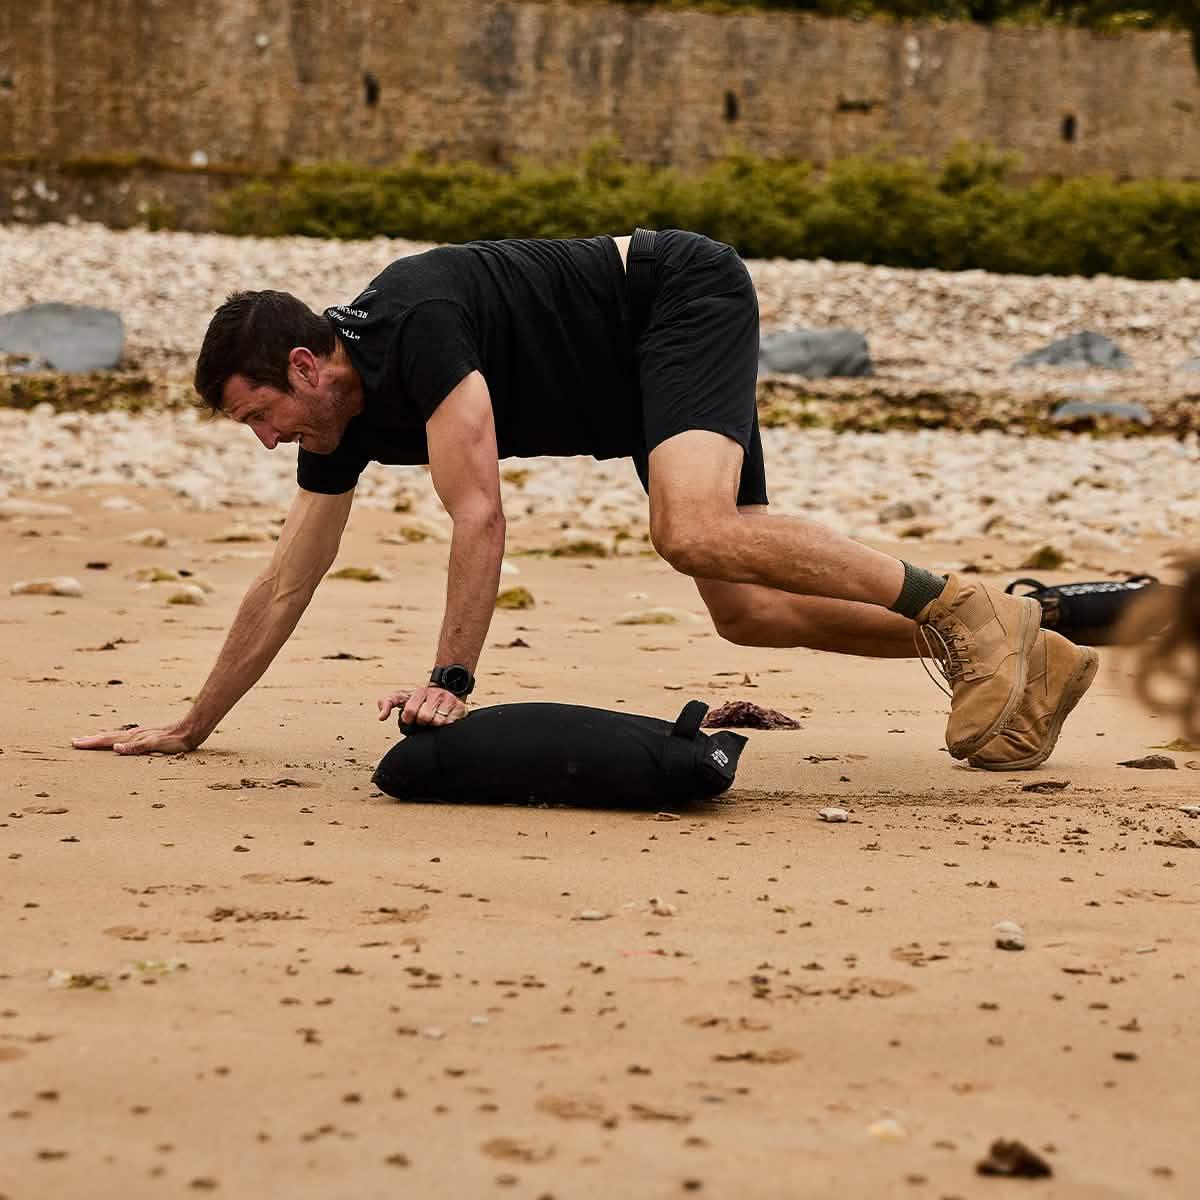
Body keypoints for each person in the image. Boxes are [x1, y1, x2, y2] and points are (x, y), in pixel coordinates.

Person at [72, 229, 1097, 770]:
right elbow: (290, 576)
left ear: (304, 363)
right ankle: (1024, 650)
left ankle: (970, 609)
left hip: (674, 297)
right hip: (631, 397)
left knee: (691, 529)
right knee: (748, 607)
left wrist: (449, 680)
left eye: (261, 415)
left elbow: (480, 514)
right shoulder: (339, 420)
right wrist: (191, 724)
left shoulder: (416, 323)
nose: (266, 441)